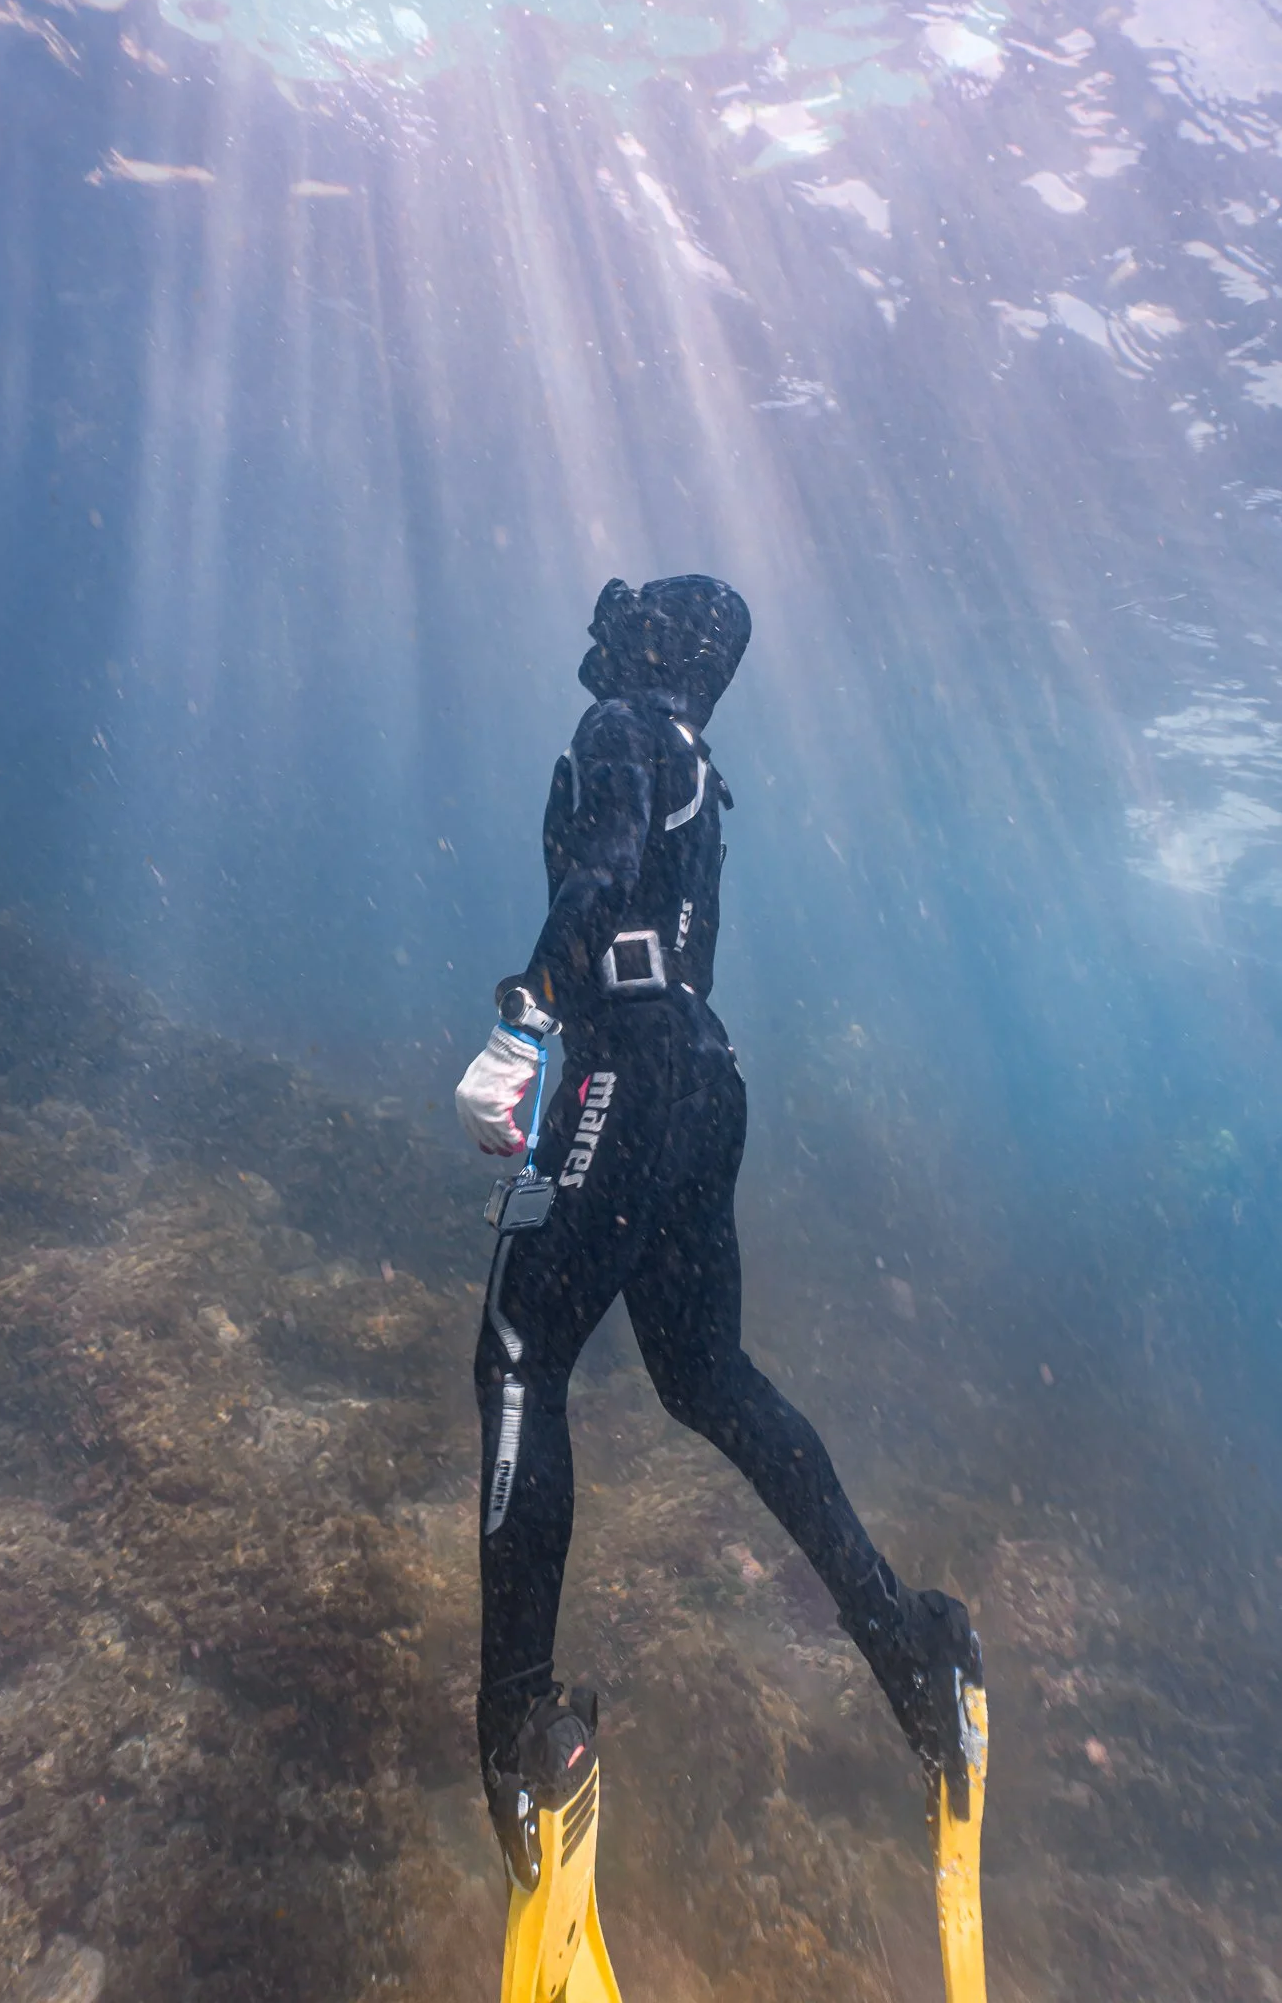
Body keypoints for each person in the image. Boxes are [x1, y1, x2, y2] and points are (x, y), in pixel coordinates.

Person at [455, 575, 981, 1890]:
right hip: (704, 1076)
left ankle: (525, 1729)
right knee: (708, 1377)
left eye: (624, 624)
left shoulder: (626, 729)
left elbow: (602, 869)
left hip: (623, 1061)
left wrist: (523, 1017)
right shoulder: (701, 759)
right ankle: (913, 1649)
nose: (600, 636)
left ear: (652, 648)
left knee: (522, 1360)